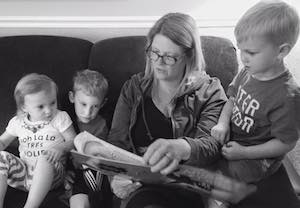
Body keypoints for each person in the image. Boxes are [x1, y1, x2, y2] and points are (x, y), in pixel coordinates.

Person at [74, 13, 256, 208]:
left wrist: (182, 147)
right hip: (139, 189)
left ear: (189, 56)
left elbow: (212, 146)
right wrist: (115, 178)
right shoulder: (134, 88)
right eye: (154, 52)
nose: (158, 62)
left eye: (169, 57)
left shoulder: (209, 91)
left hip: (188, 189)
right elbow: (117, 142)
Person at [210, 1, 300, 207]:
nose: (243, 58)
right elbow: (232, 99)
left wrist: (243, 152)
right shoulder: (248, 71)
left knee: (227, 177)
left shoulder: (288, 95)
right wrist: (222, 124)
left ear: (281, 51)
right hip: (234, 138)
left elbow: (286, 143)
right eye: (241, 50)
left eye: (251, 53)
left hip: (257, 157)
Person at [0, 73, 76, 208]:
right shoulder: (17, 122)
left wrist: (60, 148)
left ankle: (30, 206)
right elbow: (3, 142)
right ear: (24, 107)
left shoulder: (60, 117)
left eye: (52, 102)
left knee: (45, 157)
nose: (48, 110)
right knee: (1, 157)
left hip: (51, 175)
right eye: (40, 107)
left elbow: (74, 140)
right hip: (23, 173)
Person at [68, 69, 112, 208]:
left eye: (95, 106)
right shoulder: (66, 122)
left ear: (103, 104)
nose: (87, 113)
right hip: (77, 175)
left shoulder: (105, 124)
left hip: (101, 174)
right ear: (72, 97)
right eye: (83, 104)